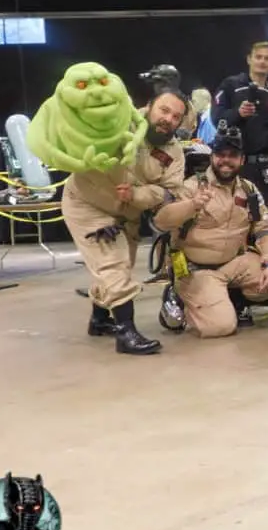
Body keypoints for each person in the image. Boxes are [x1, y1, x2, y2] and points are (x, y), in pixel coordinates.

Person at [63, 89, 187, 355]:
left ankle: (99, 319)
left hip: (126, 212)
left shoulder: (175, 153)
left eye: (176, 116)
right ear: (149, 106)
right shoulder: (118, 120)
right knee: (113, 264)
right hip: (88, 203)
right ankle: (126, 332)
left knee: (121, 265)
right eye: (164, 110)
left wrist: (137, 195)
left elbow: (169, 191)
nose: (168, 119)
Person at [152, 128, 268, 338]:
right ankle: (180, 297)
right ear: (212, 157)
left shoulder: (248, 190)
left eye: (233, 156)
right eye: (220, 155)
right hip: (196, 268)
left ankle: (233, 298)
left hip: (234, 263)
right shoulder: (191, 186)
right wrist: (192, 205)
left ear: (242, 159)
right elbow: (161, 221)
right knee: (221, 327)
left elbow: (265, 229)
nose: (226, 161)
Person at [211, 42, 268, 206]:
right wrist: (237, 113)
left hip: (266, 168)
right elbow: (216, 118)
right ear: (249, 59)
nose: (262, 61)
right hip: (235, 165)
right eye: (258, 57)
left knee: (265, 214)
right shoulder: (230, 85)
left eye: (267, 58)